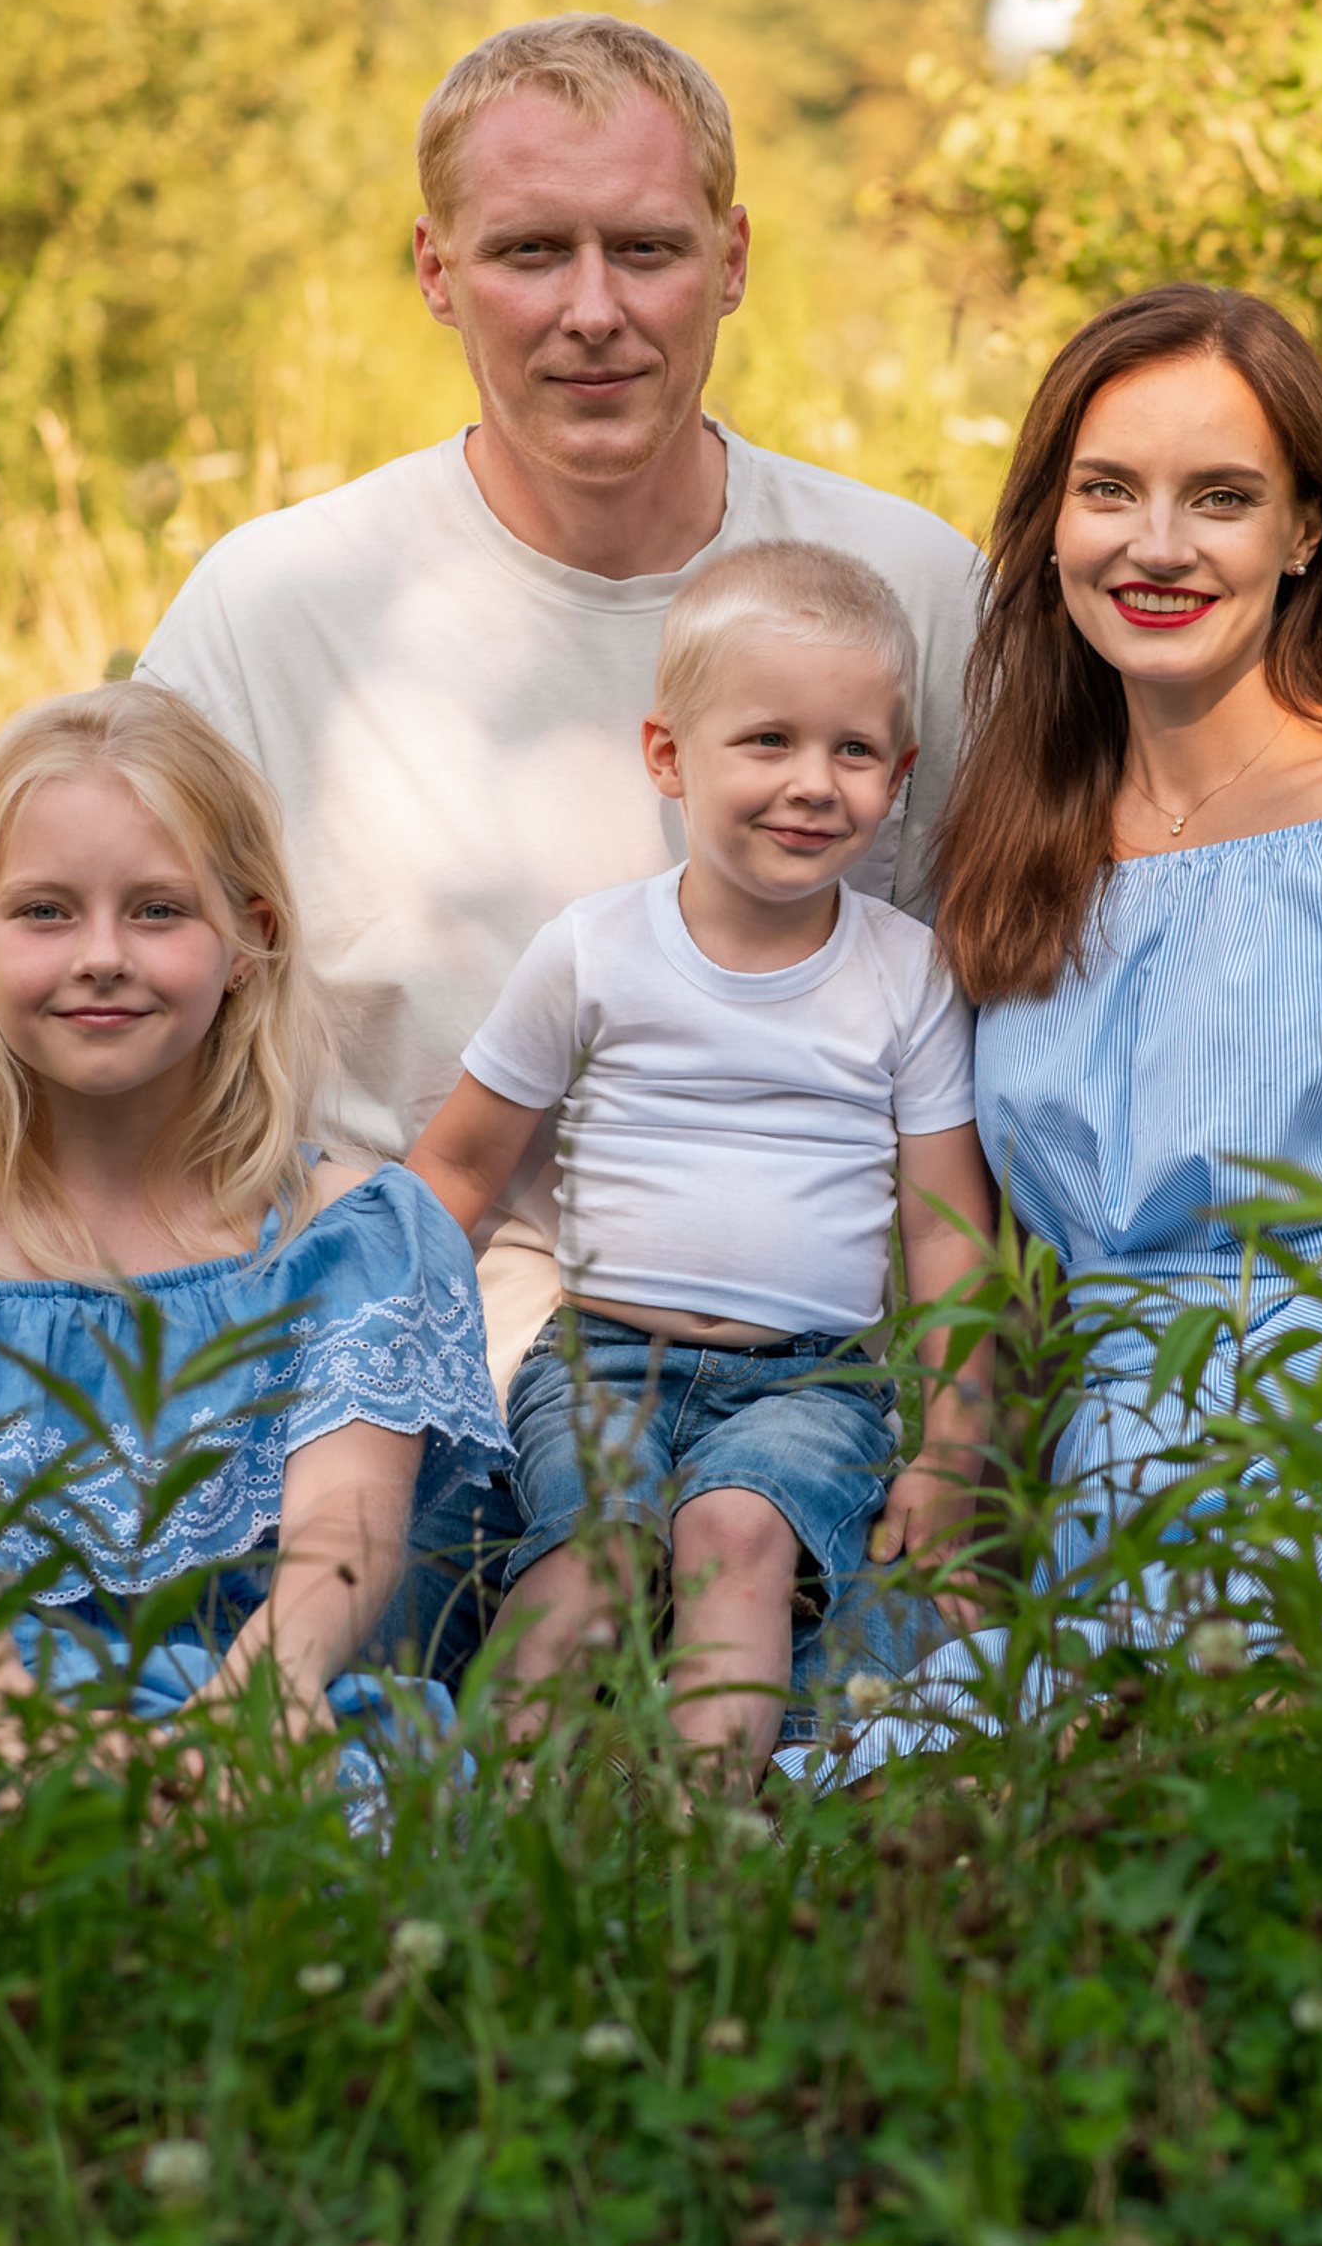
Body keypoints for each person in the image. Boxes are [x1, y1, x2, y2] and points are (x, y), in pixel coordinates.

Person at [134, 13, 1322, 1681]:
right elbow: (90, 1004)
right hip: (418, 1400)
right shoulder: (274, 609)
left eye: (648, 248)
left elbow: (1038, 1094)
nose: (593, 309)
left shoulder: (900, 598)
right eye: (531, 251)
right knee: (234, 1708)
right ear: (434, 268)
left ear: (736, 258)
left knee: (870, 1775)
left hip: (835, 1396)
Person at [808, 283, 1322, 1781]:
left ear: (1307, 534)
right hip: (1096, 1480)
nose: (1156, 547)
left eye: (1221, 499)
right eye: (1111, 491)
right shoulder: (1017, 835)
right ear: (1049, 524)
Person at [0, 684, 510, 1806]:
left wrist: (250, 1716)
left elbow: (344, 1530)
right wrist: (46, 1762)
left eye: (156, 910)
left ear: (252, 938)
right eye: (45, 911)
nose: (101, 954)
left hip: (255, 1703)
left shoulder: (348, 1242)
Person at [405, 545, 993, 1790]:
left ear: (900, 775)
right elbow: (455, 1168)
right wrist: (368, 1356)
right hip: (605, 1358)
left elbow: (946, 1231)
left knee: (737, 1537)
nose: (809, 784)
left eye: (850, 753)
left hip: (813, 1381)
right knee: (587, 1562)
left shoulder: (903, 972)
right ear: (669, 756)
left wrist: (950, 1442)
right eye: (765, 740)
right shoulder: (594, 953)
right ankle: (471, 1834)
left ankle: (703, 1839)